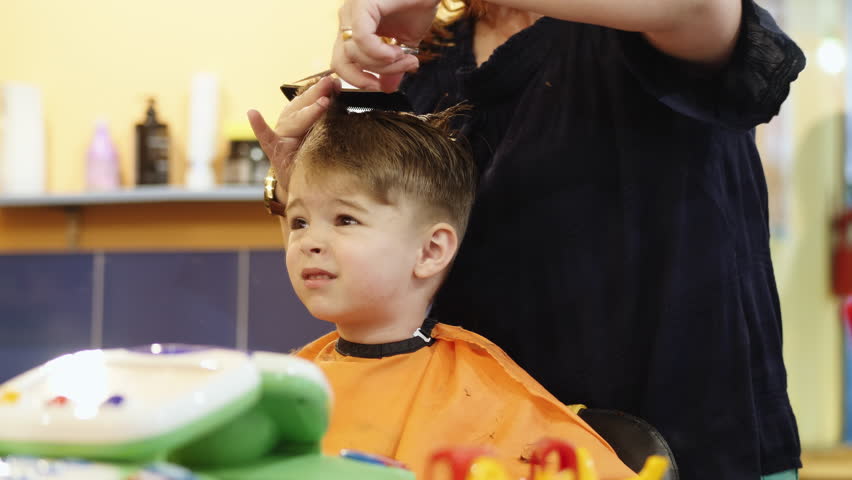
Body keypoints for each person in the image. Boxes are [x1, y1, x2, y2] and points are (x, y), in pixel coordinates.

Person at [320, 1, 807, 480]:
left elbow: (700, 8)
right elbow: (404, 270)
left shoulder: (634, 25)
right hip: (492, 450)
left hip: (682, 441)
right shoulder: (434, 54)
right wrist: (312, 192)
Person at [247, 87, 637, 479]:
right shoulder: (287, 385)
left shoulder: (483, 395)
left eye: (345, 219)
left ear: (431, 251)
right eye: (299, 221)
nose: (309, 242)